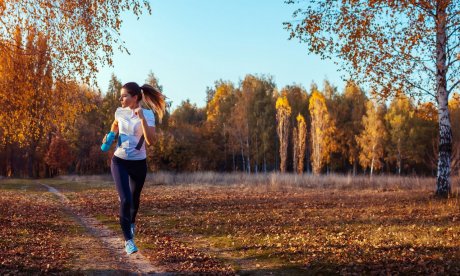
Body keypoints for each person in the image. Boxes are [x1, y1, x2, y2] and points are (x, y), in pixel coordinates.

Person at [101, 82, 166, 254]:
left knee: (134, 200)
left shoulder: (148, 115)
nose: (120, 98)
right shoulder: (119, 111)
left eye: (124, 96)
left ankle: (131, 222)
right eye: (121, 96)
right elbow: (115, 125)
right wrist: (109, 136)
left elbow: (151, 141)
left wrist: (142, 119)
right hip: (119, 161)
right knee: (125, 199)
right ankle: (128, 241)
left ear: (134, 97)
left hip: (139, 163)